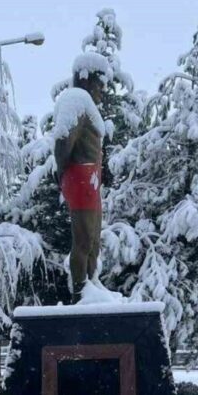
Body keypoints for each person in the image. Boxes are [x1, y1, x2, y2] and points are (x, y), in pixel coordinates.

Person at [52, 54, 111, 302]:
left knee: (94, 238)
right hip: (80, 176)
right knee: (84, 238)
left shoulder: (86, 103)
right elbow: (63, 138)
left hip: (91, 178)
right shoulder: (75, 98)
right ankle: (80, 289)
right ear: (86, 79)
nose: (103, 92)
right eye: (100, 85)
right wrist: (63, 169)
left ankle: (91, 281)